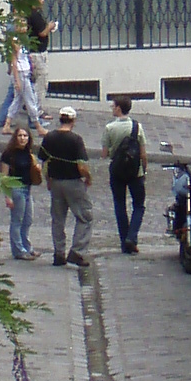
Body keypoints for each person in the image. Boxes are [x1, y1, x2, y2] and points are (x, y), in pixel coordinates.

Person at [41, 105, 94, 268]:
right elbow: (81, 166)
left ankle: (59, 253)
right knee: (85, 216)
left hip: (56, 181)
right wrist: (88, 178)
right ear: (73, 121)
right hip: (73, 182)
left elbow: (44, 161)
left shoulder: (49, 137)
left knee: (58, 219)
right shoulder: (76, 139)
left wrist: (48, 179)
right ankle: (77, 251)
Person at [103, 93, 147, 256]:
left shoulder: (110, 128)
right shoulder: (137, 127)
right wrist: (144, 170)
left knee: (120, 204)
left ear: (119, 109)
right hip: (136, 171)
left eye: (113, 106)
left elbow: (104, 152)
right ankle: (132, 236)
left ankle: (124, 242)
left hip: (117, 171)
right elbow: (143, 153)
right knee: (139, 205)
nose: (112, 109)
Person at [0, 119, 40, 259]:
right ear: (15, 138)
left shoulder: (29, 153)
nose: (23, 138)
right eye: (20, 136)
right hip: (16, 189)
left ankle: (27, 246)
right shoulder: (9, 154)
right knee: (17, 220)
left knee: (27, 219)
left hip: (27, 189)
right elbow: (4, 177)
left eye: (25, 136)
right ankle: (18, 250)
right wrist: (7, 196)